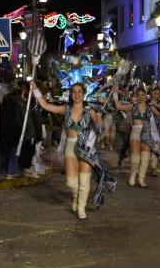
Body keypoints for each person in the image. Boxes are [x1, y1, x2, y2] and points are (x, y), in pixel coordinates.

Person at [32, 82, 114, 219]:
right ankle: (76, 196)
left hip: (86, 148)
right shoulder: (66, 109)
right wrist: (36, 90)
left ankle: (81, 207)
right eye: (74, 92)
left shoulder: (90, 110)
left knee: (84, 179)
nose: (77, 94)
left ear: (83, 93)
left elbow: (100, 126)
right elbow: (45, 106)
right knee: (70, 182)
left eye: (79, 92)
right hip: (70, 147)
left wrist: (100, 124)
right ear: (71, 94)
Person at [113, 86, 160, 187]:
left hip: (147, 133)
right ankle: (132, 176)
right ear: (136, 96)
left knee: (145, 158)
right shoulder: (132, 106)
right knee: (135, 158)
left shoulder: (150, 107)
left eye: (143, 94)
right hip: (135, 132)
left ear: (146, 96)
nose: (141, 97)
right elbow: (118, 106)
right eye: (138, 95)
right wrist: (114, 93)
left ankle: (141, 179)